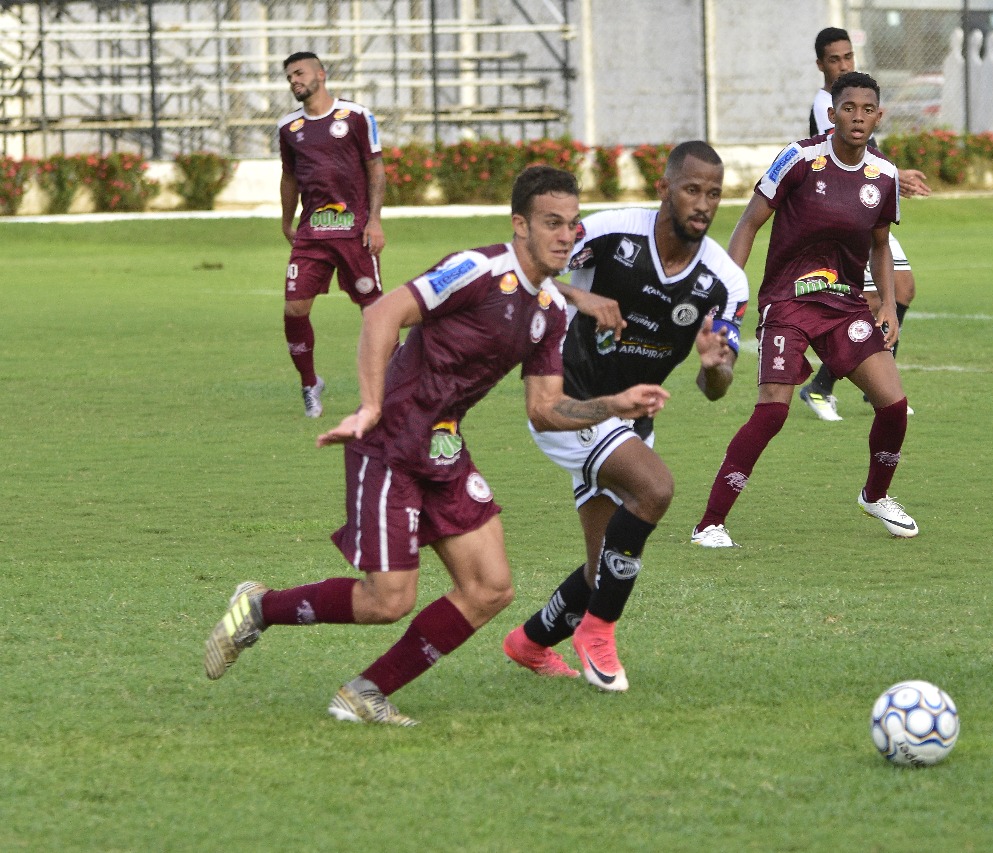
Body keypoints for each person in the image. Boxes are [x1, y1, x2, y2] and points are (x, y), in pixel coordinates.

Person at [203, 166, 671, 726]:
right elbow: (382, 314)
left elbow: (546, 411)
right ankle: (261, 606)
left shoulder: (547, 310)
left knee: (490, 587)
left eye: (572, 224)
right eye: (552, 223)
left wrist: (615, 405)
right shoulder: (476, 269)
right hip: (390, 441)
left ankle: (364, 693)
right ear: (519, 225)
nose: (566, 235)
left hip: (444, 446)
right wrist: (371, 406)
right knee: (388, 601)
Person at [501, 142, 748, 693]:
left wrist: (713, 366)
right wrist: (579, 298)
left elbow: (717, 388)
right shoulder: (611, 232)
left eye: (713, 193)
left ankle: (531, 642)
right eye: (691, 189)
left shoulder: (726, 283)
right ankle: (598, 633)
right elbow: (522, 267)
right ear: (664, 189)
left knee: (603, 564)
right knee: (656, 488)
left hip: (630, 419)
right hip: (568, 397)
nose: (703, 203)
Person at [690, 71, 918, 548]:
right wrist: (730, 296)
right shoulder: (798, 158)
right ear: (831, 113)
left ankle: (875, 496)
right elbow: (748, 224)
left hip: (845, 305)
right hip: (788, 301)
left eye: (867, 109)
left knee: (893, 407)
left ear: (879, 116)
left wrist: (890, 308)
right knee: (773, 412)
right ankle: (710, 522)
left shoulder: (885, 176)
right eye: (848, 108)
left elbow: (880, 244)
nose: (858, 117)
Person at [801, 27, 925, 421]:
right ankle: (822, 388)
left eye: (848, 57)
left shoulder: (855, 95)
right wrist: (895, 172)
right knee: (869, 301)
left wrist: (891, 173)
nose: (843, 64)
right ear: (820, 64)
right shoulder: (828, 104)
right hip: (843, 211)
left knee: (901, 289)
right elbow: (854, 149)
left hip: (865, 208)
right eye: (834, 59)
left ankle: (876, 391)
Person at [277, 51, 386, 418]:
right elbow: (289, 176)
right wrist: (286, 220)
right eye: (289, 76)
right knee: (294, 309)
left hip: (355, 232)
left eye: (300, 73)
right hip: (311, 233)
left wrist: (375, 221)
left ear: (320, 74)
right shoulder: (288, 128)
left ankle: (394, 385)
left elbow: (375, 169)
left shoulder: (355, 116)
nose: (294, 80)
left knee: (375, 314)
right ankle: (310, 384)